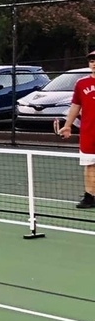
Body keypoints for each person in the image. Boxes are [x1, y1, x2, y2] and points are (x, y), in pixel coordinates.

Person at [56, 49, 95, 209]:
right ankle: (90, 196)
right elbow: (75, 106)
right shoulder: (81, 84)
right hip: (88, 133)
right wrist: (67, 126)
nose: (94, 63)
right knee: (90, 165)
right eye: (92, 61)